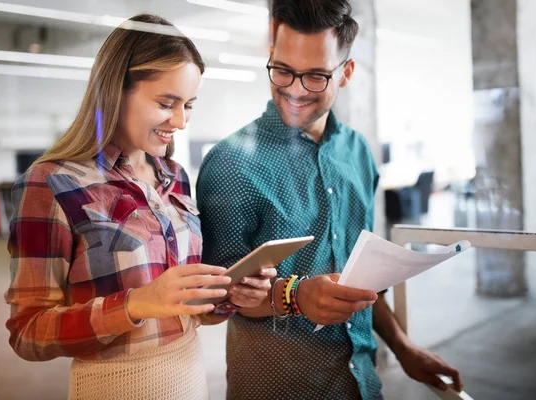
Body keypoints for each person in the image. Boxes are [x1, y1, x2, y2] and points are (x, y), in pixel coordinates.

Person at [196, 1, 463, 399]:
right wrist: (295, 296)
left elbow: (362, 277)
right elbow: (218, 301)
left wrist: (403, 348)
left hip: (362, 385)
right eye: (283, 70)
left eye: (317, 76)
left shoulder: (357, 152)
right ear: (270, 57)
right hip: (278, 387)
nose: (295, 90)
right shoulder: (230, 164)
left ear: (347, 72)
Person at [4, 14, 275, 400]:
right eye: (167, 103)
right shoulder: (52, 183)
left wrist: (229, 298)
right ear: (116, 91)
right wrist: (136, 304)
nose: (180, 121)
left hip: (191, 382)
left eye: (189, 105)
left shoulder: (174, 175)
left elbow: (189, 311)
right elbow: (28, 333)